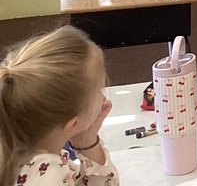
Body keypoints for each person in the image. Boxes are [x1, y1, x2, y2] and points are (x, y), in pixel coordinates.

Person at [0, 25, 119, 186]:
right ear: (73, 123)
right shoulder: (49, 177)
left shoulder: (22, 152)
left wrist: (87, 142)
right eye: (98, 90)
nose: (103, 97)